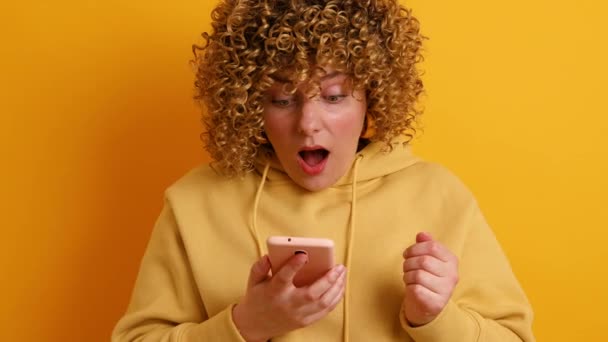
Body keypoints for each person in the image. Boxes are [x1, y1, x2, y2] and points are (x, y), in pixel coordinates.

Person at [112, 0, 535, 341]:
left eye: (333, 96)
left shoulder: (440, 195)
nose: (307, 123)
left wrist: (436, 320)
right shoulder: (193, 202)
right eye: (281, 99)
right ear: (249, 104)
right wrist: (245, 326)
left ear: (373, 95)